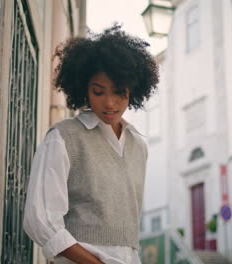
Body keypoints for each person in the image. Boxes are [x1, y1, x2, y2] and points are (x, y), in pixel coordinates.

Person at [23, 24, 159, 264]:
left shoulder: (139, 146)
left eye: (119, 92)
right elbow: (40, 221)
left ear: (132, 89)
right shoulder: (63, 138)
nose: (109, 103)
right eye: (98, 92)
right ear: (84, 89)